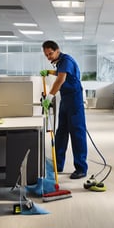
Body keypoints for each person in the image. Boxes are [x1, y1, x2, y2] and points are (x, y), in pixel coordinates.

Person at [40, 40, 88, 179]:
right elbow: (60, 73)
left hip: (74, 100)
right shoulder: (60, 62)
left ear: (57, 50)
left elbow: (61, 79)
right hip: (66, 99)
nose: (48, 57)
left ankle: (81, 168)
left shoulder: (66, 60)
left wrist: (49, 97)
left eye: (50, 54)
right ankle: (58, 164)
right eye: (46, 55)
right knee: (61, 132)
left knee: (77, 133)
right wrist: (49, 71)